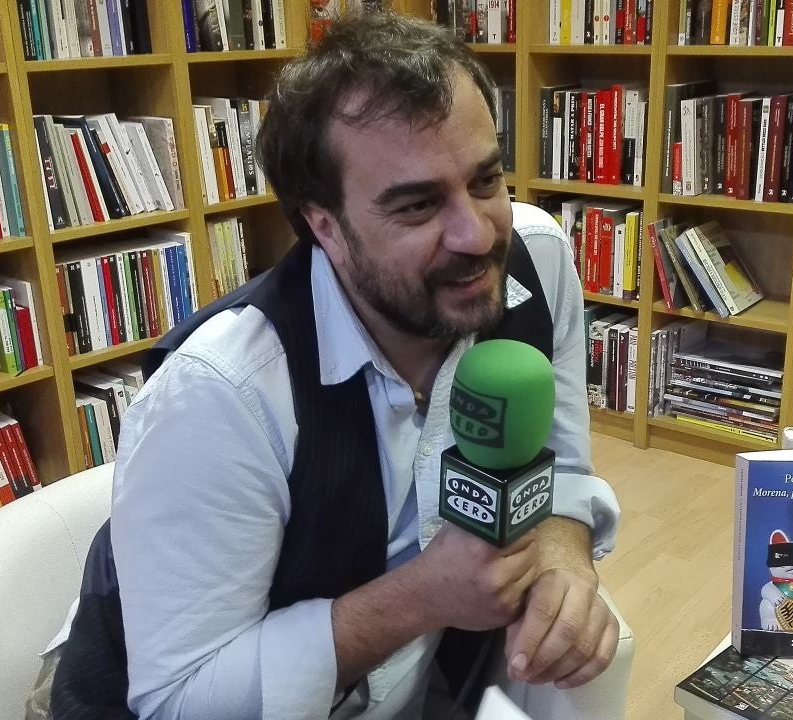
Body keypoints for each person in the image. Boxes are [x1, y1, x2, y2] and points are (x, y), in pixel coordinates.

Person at [39, 9, 621, 719]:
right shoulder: (222, 395)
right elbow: (181, 700)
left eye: (486, 179)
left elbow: (561, 466)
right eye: (417, 206)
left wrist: (564, 546)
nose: (476, 234)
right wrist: (423, 596)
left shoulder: (538, 261)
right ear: (324, 226)